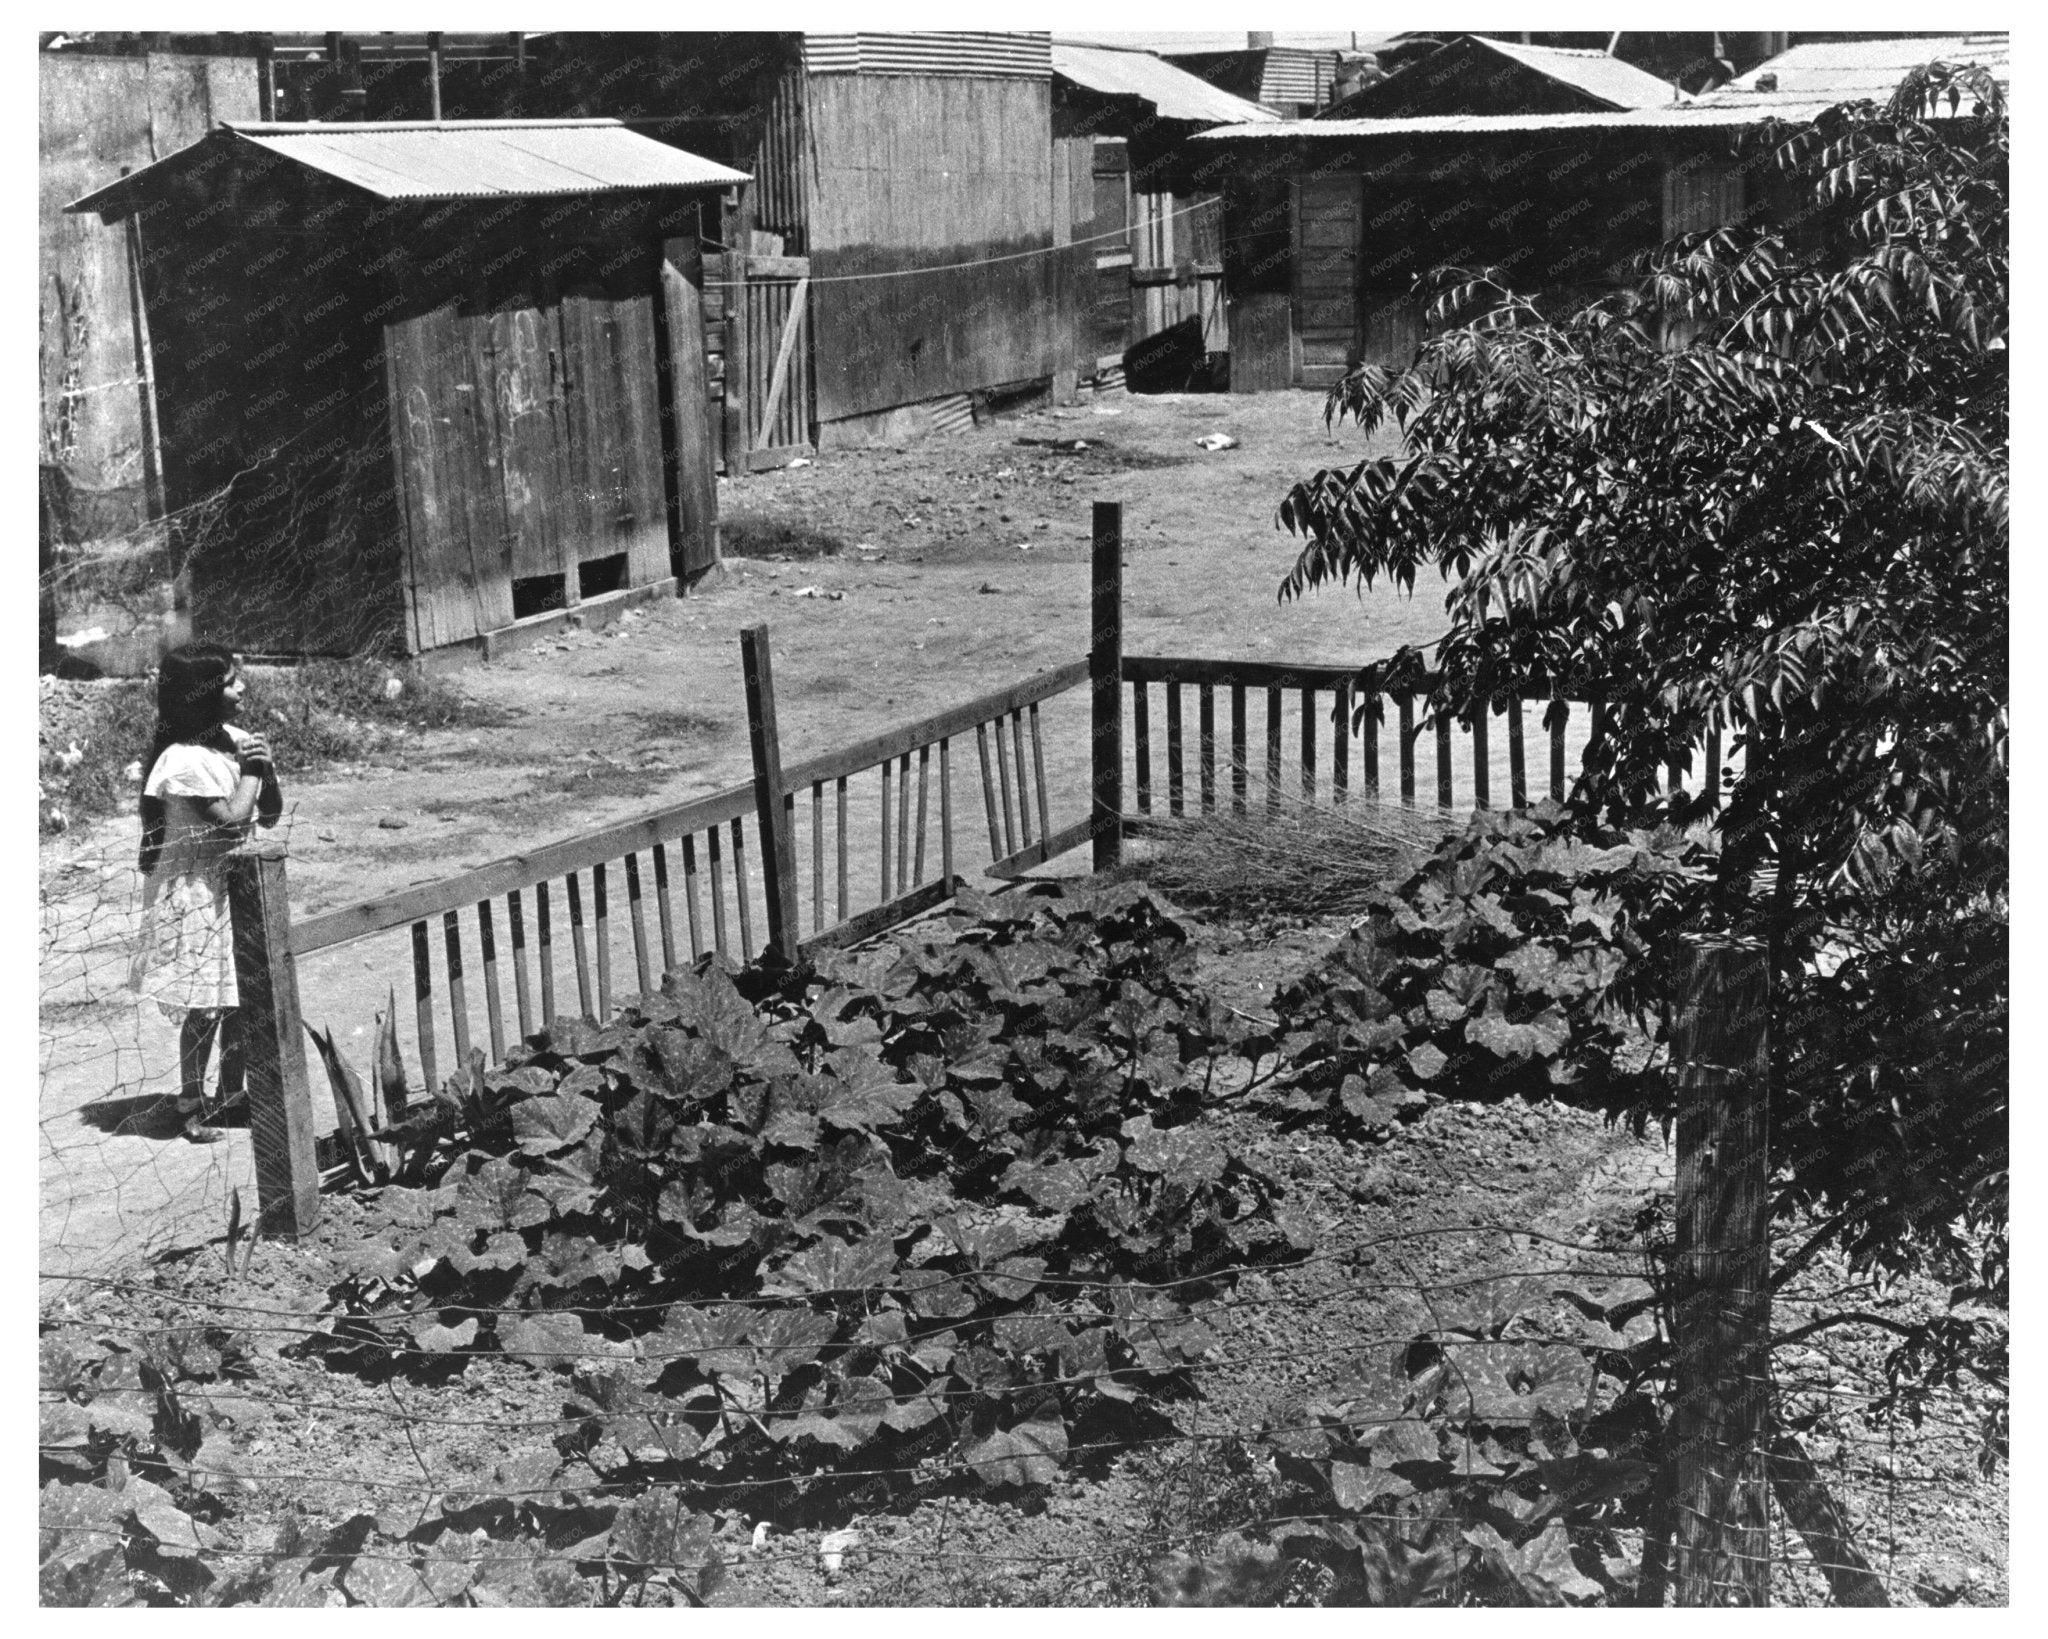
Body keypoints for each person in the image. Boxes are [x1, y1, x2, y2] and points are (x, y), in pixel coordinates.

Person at [131, 644, 283, 1142]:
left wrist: (268, 770)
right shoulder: (182, 761)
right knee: (205, 1004)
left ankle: (233, 1095)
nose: (242, 689)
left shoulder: (235, 740)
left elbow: (270, 813)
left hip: (235, 888)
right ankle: (190, 1100)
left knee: (239, 997)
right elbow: (233, 824)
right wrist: (254, 772)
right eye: (232, 682)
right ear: (203, 697)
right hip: (197, 895)